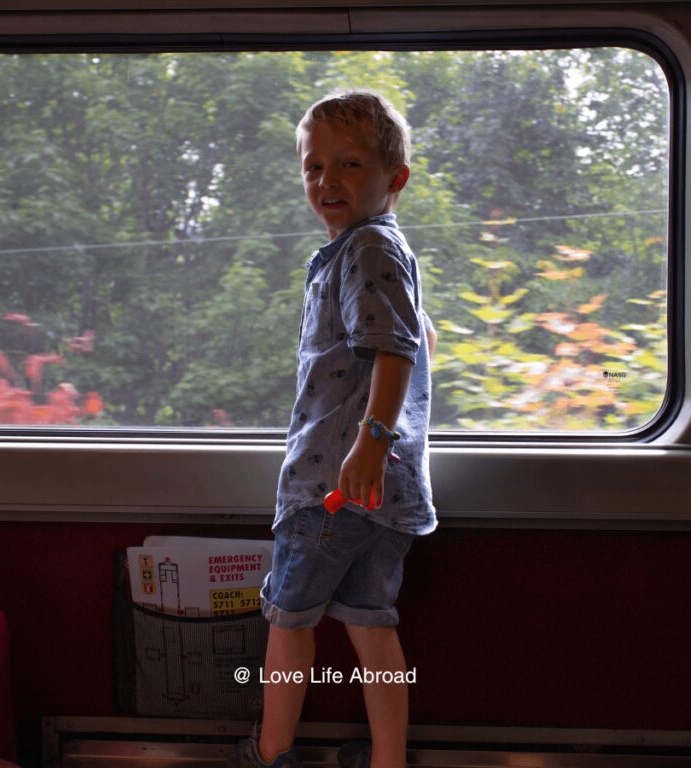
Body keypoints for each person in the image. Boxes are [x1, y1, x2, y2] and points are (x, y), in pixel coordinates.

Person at [229, 91, 437, 768]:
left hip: (332, 483)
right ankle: (387, 759)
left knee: (288, 623)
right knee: (372, 627)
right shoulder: (387, 251)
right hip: (387, 493)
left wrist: (369, 444)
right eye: (313, 167)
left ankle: (270, 752)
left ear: (395, 179)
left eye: (349, 164)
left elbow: (395, 350)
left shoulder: (366, 247)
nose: (327, 181)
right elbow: (412, 339)